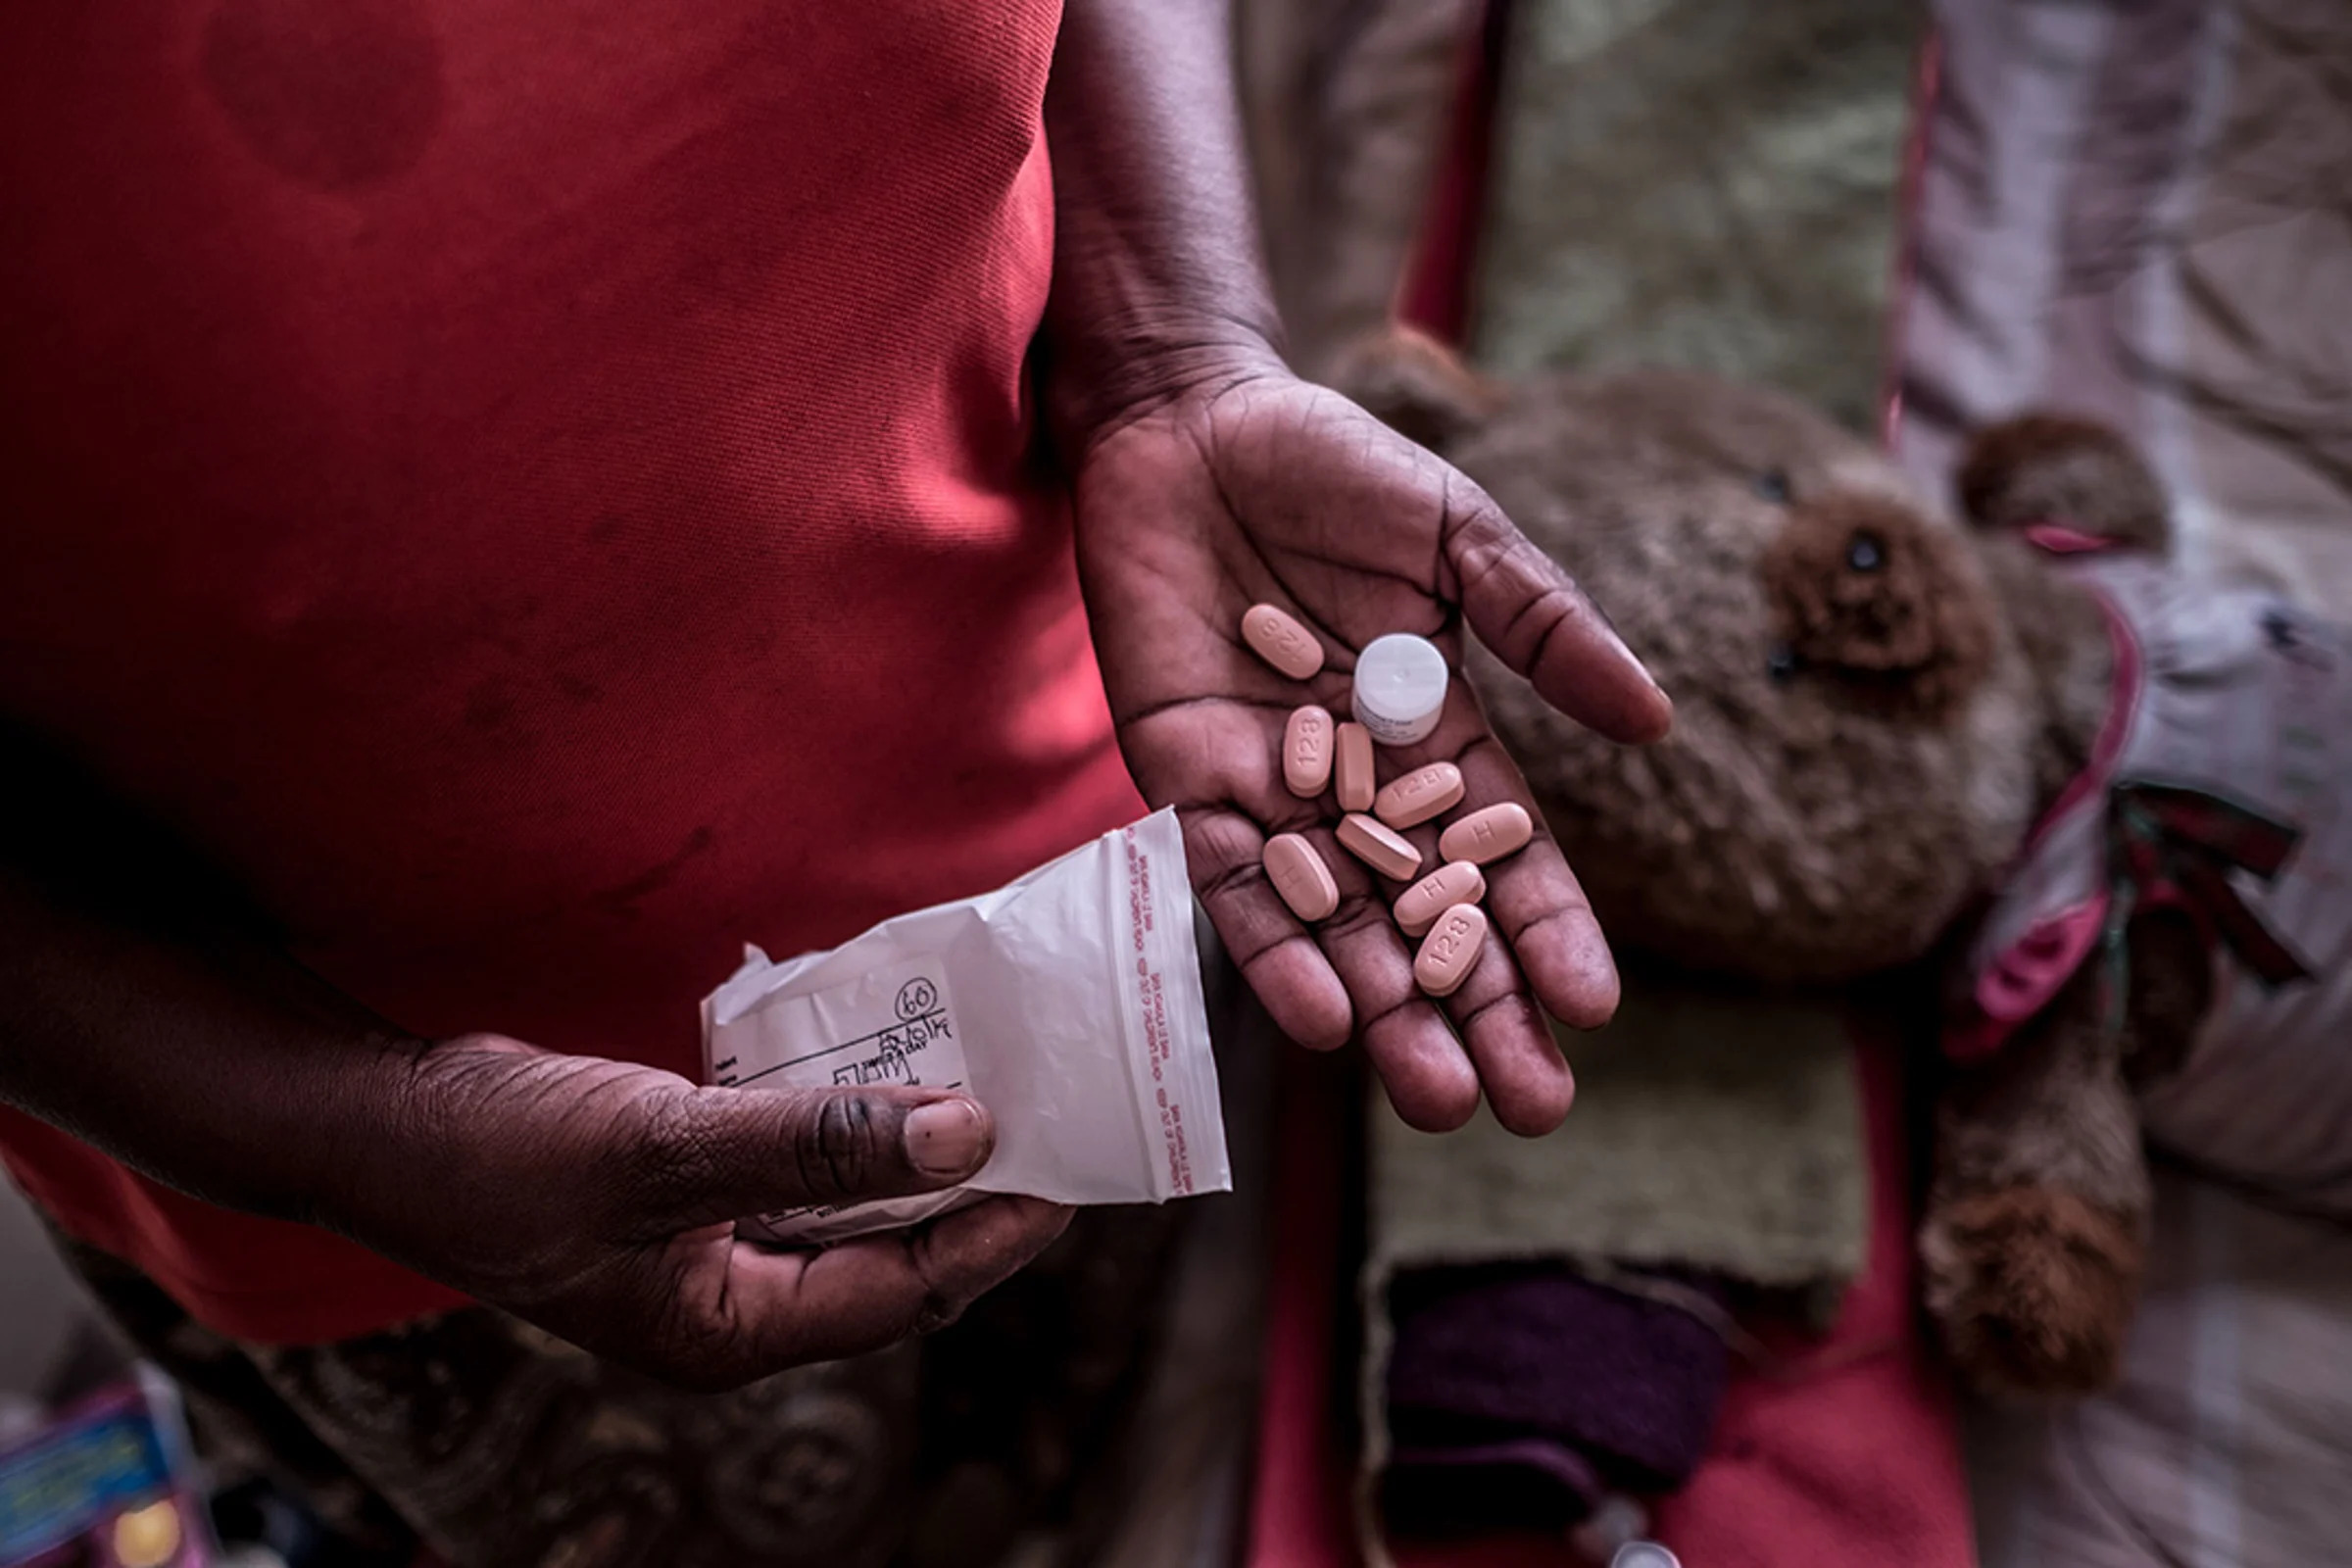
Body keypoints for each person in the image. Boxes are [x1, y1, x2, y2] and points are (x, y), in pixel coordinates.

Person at [0, 1, 1668, 1560]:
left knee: (1097, 1416)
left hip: (1120, 825)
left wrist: (1173, 348)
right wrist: (338, 1137)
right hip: (368, 1149)